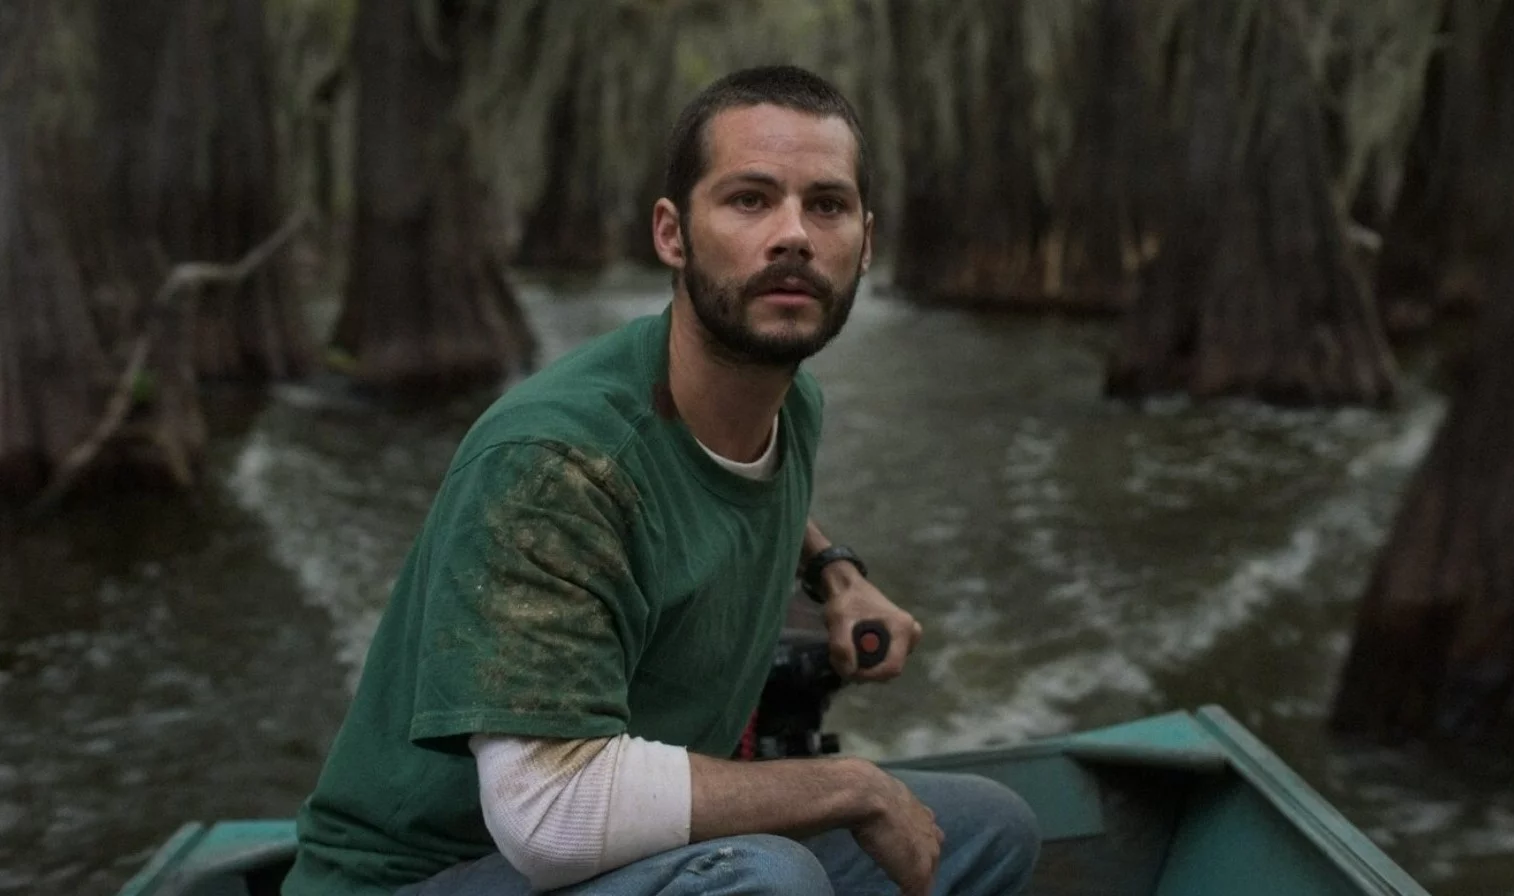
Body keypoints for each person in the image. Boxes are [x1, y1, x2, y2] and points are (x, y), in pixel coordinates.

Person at [280, 64, 1041, 896]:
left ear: (865, 241)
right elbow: (551, 816)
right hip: (433, 874)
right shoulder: (554, 462)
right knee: (765, 879)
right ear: (672, 234)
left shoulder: (791, 405)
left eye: (825, 205)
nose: (792, 234)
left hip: (618, 856)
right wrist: (850, 785)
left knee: (989, 830)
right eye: (749, 200)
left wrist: (836, 573)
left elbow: (727, 484)